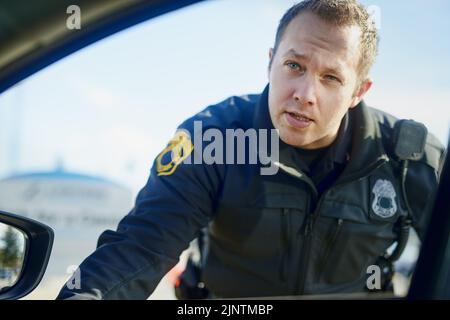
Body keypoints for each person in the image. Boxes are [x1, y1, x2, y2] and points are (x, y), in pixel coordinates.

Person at [57, 0, 444, 300]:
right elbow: (139, 249)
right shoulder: (214, 139)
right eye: (294, 65)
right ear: (270, 62)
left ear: (359, 92)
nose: (305, 95)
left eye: (331, 78)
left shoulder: (408, 158)